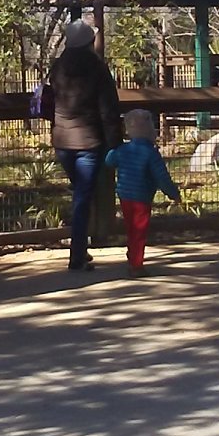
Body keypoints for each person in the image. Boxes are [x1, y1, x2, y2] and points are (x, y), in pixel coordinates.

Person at [50, 19, 121, 270]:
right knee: (82, 197)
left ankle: (81, 248)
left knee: (81, 195)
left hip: (62, 141)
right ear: (89, 42)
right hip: (89, 141)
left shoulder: (57, 67)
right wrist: (115, 143)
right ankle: (77, 256)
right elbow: (108, 109)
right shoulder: (97, 69)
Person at [106, 109, 183, 277]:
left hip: (125, 195)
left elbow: (109, 160)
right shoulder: (150, 152)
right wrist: (173, 193)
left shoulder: (124, 149)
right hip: (142, 196)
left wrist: (114, 147)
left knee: (131, 228)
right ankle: (136, 265)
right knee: (140, 231)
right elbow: (162, 176)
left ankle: (132, 254)